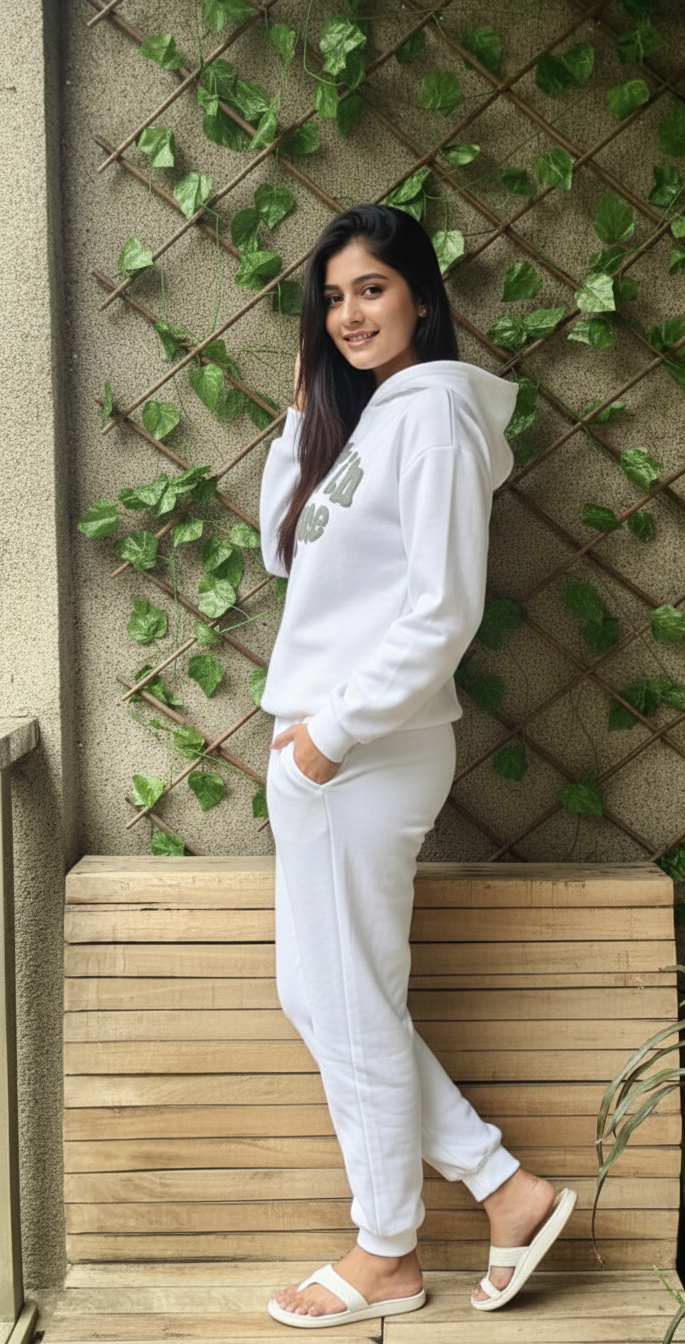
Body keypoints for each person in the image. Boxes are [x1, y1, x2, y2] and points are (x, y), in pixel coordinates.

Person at [258, 204, 576, 1329]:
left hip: (363, 753)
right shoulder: (373, 417)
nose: (350, 313)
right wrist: (304, 409)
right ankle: (506, 1189)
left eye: (372, 290)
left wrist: (326, 739)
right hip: (328, 753)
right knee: (327, 995)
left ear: (423, 299)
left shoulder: (434, 416)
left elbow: (442, 610)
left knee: (348, 1000)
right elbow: (281, 548)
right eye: (333, 296)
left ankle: (387, 1251)